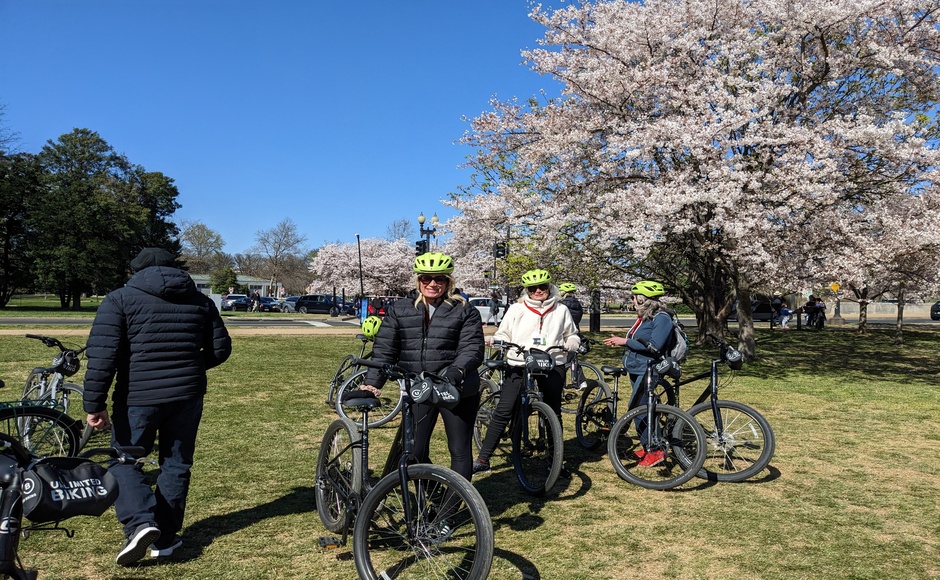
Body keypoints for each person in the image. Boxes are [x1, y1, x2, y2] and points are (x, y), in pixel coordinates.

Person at [83, 247, 232, 566]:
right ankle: (164, 537)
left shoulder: (119, 299)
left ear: (134, 270)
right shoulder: (200, 300)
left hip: (137, 396)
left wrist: (94, 404)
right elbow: (220, 349)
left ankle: (140, 523)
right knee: (176, 463)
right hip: (186, 395)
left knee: (125, 460)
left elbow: (102, 358)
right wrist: (190, 367)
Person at [360, 252, 484, 481]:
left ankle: (449, 513)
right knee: (414, 451)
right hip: (419, 387)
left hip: (456, 387)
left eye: (439, 279)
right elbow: (385, 349)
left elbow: (472, 348)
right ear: (418, 280)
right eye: (426, 278)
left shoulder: (465, 310)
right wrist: (372, 383)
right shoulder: (400, 310)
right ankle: (432, 498)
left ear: (448, 282)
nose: (433, 284)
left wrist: (456, 372)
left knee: (459, 451)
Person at [472, 269, 580, 475]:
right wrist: (496, 339)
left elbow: (571, 334)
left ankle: (555, 461)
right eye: (533, 288)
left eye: (543, 287)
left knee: (553, 413)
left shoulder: (561, 310)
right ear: (527, 291)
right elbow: (503, 332)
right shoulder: (516, 309)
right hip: (520, 363)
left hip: (552, 363)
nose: (538, 291)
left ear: (550, 288)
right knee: (504, 409)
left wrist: (571, 344)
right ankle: (483, 459)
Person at [602, 280, 676, 467]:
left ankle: (656, 451)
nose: (632, 300)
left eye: (633, 297)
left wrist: (624, 342)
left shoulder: (662, 318)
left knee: (640, 410)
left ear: (641, 299)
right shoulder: (647, 317)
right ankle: (649, 445)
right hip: (638, 368)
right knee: (644, 409)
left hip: (649, 369)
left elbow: (654, 346)